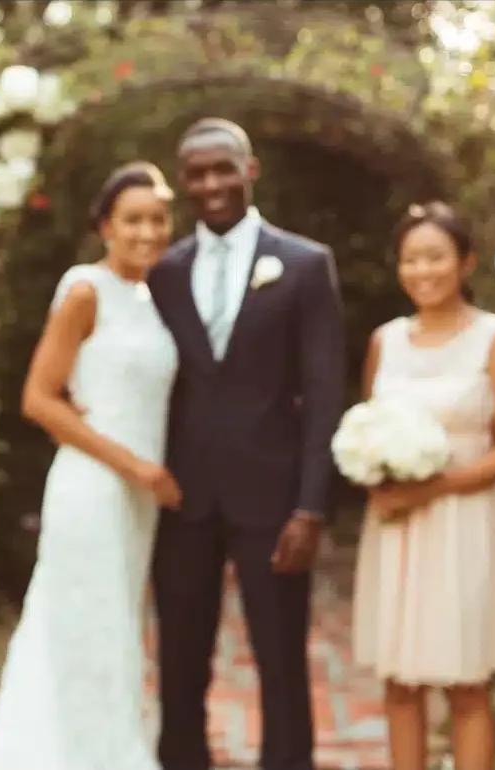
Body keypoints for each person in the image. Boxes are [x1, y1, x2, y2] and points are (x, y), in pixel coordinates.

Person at [0, 162, 178, 769]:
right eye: (132, 220)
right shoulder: (86, 290)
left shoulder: (151, 298)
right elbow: (38, 398)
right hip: (94, 488)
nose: (147, 232)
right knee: (87, 624)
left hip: (137, 499)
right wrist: (136, 468)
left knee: (117, 626)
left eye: (158, 219)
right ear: (105, 225)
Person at [146, 118, 346, 770]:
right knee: (180, 663)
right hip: (183, 501)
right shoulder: (162, 271)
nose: (211, 184)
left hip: (275, 500)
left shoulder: (305, 265)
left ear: (249, 170)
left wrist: (311, 507)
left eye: (223, 169)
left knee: (282, 662)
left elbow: (324, 393)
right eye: (197, 173)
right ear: (183, 182)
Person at [350, 202, 495, 770]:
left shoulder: (494, 338)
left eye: (435, 257)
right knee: (400, 683)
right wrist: (373, 475)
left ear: (466, 262)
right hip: (396, 527)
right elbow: (368, 427)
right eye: (411, 259)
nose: (422, 271)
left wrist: (435, 487)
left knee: (466, 684)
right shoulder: (386, 341)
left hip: (463, 524)